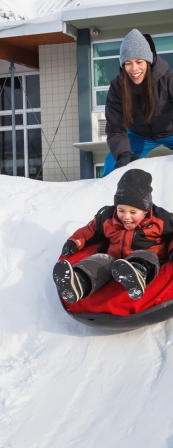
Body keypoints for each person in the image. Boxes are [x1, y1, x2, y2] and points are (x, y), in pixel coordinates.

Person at [53, 169, 173, 303]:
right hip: (115, 261)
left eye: (133, 212)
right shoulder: (108, 217)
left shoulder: (161, 219)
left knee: (146, 256)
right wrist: (75, 241)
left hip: (146, 259)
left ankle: (136, 276)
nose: (126, 217)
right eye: (121, 210)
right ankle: (79, 281)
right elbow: (91, 230)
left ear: (145, 210)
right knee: (101, 260)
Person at [103, 29, 173, 175]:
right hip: (138, 134)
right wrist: (123, 154)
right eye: (128, 63)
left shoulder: (168, 80)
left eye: (139, 62)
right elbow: (115, 128)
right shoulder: (118, 87)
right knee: (112, 166)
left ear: (148, 61)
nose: (134, 69)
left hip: (170, 130)